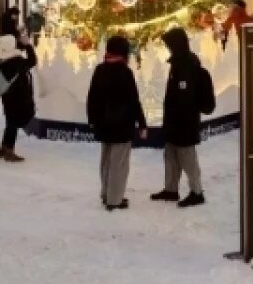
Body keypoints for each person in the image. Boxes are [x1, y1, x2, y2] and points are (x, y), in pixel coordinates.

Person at [151, 27, 214, 207]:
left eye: (170, 45)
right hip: (173, 123)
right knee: (170, 155)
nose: (168, 48)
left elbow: (187, 98)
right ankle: (171, 189)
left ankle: (197, 192)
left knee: (187, 159)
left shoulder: (189, 67)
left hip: (185, 124)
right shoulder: (177, 65)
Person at [86, 35, 147, 211]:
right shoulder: (125, 73)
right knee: (119, 165)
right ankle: (114, 200)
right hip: (121, 126)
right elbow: (134, 101)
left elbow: (92, 98)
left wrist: (92, 120)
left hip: (103, 125)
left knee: (106, 161)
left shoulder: (100, 70)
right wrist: (142, 124)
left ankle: (106, 193)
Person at [0, 33, 36, 162]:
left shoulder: (0, 61)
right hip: (18, 97)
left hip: (6, 96)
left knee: (10, 121)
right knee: (14, 123)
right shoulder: (17, 62)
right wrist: (28, 45)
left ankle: (4, 147)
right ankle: (9, 151)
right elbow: (32, 61)